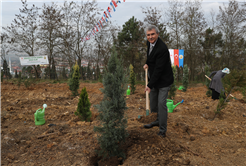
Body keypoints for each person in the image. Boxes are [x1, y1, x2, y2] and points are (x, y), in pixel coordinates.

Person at [143, 25, 174, 138]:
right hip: (155, 78)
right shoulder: (149, 43)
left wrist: (150, 85)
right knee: (153, 103)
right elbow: (150, 56)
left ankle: (162, 129)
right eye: (148, 35)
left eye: (152, 34)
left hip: (164, 80)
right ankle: (157, 120)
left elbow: (159, 70)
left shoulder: (162, 48)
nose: (150, 37)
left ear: (157, 34)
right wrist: (147, 63)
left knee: (161, 104)